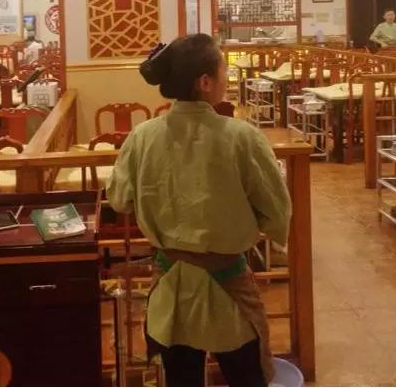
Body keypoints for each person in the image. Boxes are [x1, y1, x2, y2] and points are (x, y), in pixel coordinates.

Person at [107, 34, 292, 387]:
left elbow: (119, 200)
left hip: (171, 286)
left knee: (181, 379)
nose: (227, 76)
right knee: (246, 378)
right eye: (223, 69)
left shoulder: (142, 136)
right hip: (228, 285)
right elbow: (276, 212)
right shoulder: (243, 137)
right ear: (205, 82)